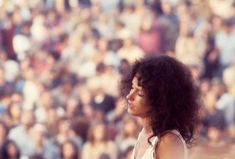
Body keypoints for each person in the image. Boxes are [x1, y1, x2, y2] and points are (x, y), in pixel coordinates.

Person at [121, 55, 200, 159]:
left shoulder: (169, 142)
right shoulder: (145, 133)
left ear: (160, 100)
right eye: (132, 88)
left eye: (140, 93)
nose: (129, 96)